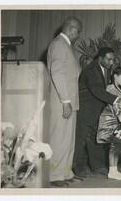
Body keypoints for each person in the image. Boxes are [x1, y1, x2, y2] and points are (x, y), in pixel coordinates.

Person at [73, 47, 121, 178]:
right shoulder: (91, 70)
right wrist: (116, 100)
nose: (112, 62)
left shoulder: (106, 68)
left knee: (95, 138)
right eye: (109, 59)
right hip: (86, 109)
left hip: (96, 109)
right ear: (100, 58)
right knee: (81, 141)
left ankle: (97, 166)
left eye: (113, 59)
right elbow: (96, 90)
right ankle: (78, 168)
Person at [47, 17, 83, 187]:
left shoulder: (65, 46)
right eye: (78, 32)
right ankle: (54, 175)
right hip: (62, 101)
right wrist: (65, 100)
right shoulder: (59, 45)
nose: (78, 36)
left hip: (69, 101)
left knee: (68, 140)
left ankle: (65, 172)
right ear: (72, 29)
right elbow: (57, 72)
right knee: (59, 138)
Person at [97, 67, 121, 180]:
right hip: (110, 119)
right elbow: (114, 105)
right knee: (113, 145)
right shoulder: (110, 89)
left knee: (116, 145)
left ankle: (114, 170)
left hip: (116, 119)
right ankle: (112, 171)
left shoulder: (118, 89)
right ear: (115, 76)